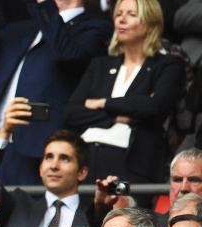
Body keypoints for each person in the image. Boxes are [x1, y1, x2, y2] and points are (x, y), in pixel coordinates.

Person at [0, 0, 111, 184]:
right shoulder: (21, 29)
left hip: (39, 149)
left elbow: (67, 54)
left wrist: (45, 6)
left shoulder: (95, 27)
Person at [64, 0, 185, 185]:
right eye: (119, 14)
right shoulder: (100, 65)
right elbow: (72, 112)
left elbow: (155, 107)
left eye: (131, 14)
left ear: (150, 22)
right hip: (86, 159)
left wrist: (103, 103)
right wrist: (116, 117)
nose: (122, 20)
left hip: (131, 162)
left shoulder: (168, 65)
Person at [0, 129, 94, 227]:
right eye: (49, 157)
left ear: (82, 172)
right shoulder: (18, 205)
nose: (54, 166)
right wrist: (4, 132)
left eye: (64, 158)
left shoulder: (92, 218)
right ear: (41, 167)